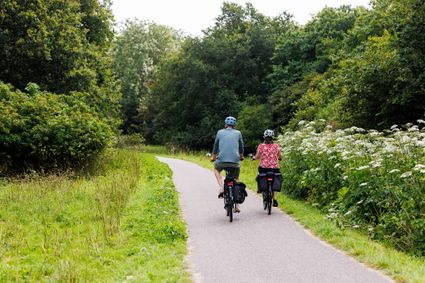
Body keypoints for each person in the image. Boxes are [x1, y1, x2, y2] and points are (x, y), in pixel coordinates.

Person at [211, 116, 244, 212]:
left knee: (216, 169)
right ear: (234, 125)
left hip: (221, 162)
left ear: (225, 124)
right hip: (235, 162)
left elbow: (215, 146)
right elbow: (241, 147)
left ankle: (221, 187)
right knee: (236, 179)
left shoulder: (220, 132)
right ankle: (237, 205)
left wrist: (213, 157)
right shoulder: (238, 133)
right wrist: (241, 156)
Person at [254, 129, 281, 207]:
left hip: (263, 168)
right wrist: (279, 158)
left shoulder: (261, 146)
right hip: (275, 168)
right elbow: (280, 156)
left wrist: (254, 158)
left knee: (259, 176)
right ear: (273, 137)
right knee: (276, 179)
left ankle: (260, 189)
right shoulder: (276, 146)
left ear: (264, 137)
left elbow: (257, 156)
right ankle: (275, 198)